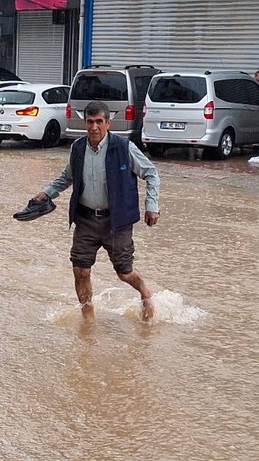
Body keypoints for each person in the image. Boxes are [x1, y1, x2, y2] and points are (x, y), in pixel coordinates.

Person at [33, 101, 161, 323]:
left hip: (117, 221)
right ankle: (88, 320)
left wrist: (152, 206)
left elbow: (151, 173)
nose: (94, 127)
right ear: (85, 123)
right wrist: (46, 194)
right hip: (86, 219)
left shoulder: (124, 147)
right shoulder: (78, 148)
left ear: (108, 123)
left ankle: (144, 292)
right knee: (80, 271)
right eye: (90, 122)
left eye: (99, 122)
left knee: (124, 273)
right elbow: (66, 178)